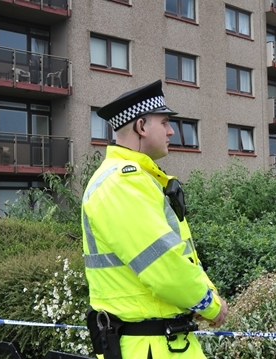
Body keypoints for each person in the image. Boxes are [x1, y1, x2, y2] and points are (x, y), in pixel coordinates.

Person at [81, 80, 227, 359]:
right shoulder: (122, 183)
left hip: (159, 343)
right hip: (149, 347)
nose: (172, 130)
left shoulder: (135, 180)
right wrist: (211, 304)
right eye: (165, 122)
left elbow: (181, 258)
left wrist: (208, 294)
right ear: (141, 127)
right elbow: (164, 267)